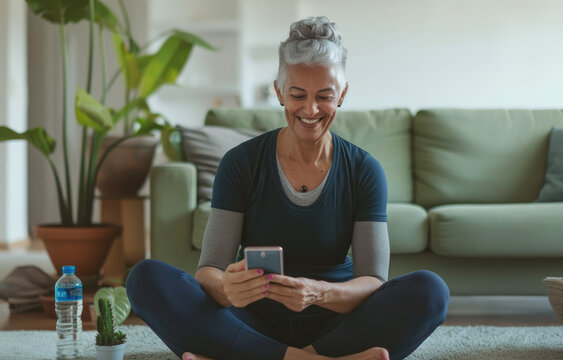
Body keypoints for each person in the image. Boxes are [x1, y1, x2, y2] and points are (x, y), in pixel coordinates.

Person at [126, 16, 449, 360]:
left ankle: (246, 356)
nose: (310, 110)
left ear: (342, 93)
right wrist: (227, 289)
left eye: (324, 96)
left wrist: (318, 293)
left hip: (334, 320)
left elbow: (372, 280)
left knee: (431, 292)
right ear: (279, 91)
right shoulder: (240, 163)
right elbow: (209, 271)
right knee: (145, 278)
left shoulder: (364, 170)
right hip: (250, 318)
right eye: (297, 95)